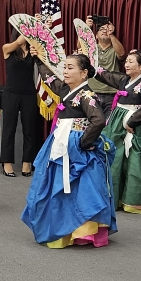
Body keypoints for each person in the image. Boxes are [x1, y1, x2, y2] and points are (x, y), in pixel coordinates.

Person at [21, 51, 117, 248]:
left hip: (74, 142)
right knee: (58, 184)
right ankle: (65, 225)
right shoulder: (66, 90)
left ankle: (82, 230)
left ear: (83, 73)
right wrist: (39, 59)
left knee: (82, 188)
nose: (65, 71)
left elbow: (98, 120)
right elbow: (49, 79)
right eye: (64, 67)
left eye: (70, 67)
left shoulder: (87, 95)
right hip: (60, 140)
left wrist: (83, 142)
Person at [93, 50, 141, 213]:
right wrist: (91, 65)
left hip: (137, 123)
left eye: (131, 62)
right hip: (117, 121)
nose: (126, 64)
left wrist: (132, 121)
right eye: (126, 61)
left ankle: (137, 200)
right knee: (114, 155)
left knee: (136, 159)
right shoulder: (123, 79)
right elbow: (105, 75)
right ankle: (115, 196)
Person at [0, 30, 43, 177]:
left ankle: (26, 163)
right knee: (8, 129)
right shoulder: (8, 49)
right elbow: (17, 43)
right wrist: (27, 31)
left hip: (29, 93)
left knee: (29, 130)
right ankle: (7, 164)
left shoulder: (32, 51)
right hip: (11, 93)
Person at [87, 16, 128, 113]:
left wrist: (111, 35)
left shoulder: (115, 48)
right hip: (92, 93)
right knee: (93, 124)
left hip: (111, 94)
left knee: (109, 125)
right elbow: (81, 47)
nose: (105, 31)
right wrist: (87, 29)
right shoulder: (92, 48)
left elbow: (122, 54)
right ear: (96, 35)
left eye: (107, 29)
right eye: (102, 29)